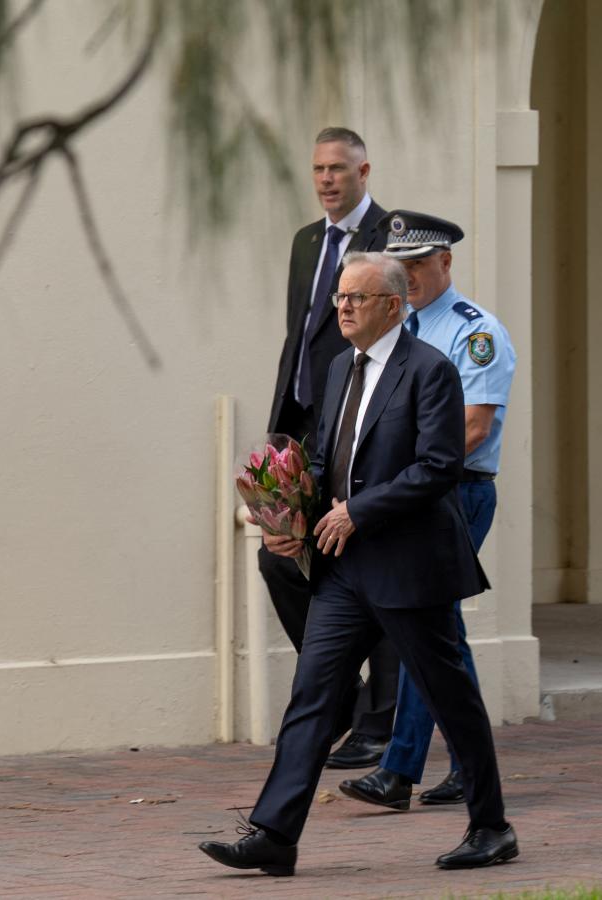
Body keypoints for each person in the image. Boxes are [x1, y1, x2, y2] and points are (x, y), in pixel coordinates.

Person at [199, 253, 518, 874]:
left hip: (409, 566)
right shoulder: (340, 366)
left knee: (450, 697)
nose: (342, 307)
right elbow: (326, 460)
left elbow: (439, 466)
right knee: (313, 696)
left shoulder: (431, 370)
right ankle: (274, 833)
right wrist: (290, 523)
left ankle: (491, 827)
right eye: (339, 297)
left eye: (356, 298)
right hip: (344, 568)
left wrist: (358, 512)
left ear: (392, 306)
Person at [338, 211, 517, 810]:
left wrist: (394, 483)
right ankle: (464, 764)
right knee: (441, 633)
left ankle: (401, 769)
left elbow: (474, 427)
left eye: (418, 264)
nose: (409, 276)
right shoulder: (393, 328)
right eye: (401, 265)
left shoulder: (474, 332)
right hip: (405, 496)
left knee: (429, 627)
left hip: (454, 491)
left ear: (445, 262)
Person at [260, 126, 399, 770]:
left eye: (338, 169)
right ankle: (342, 695)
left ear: (363, 172)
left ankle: (378, 724)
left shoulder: (390, 237)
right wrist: (280, 434)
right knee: (281, 560)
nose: (326, 180)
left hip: (358, 425)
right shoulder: (306, 242)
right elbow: (300, 338)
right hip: (302, 429)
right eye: (318, 169)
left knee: (374, 566)